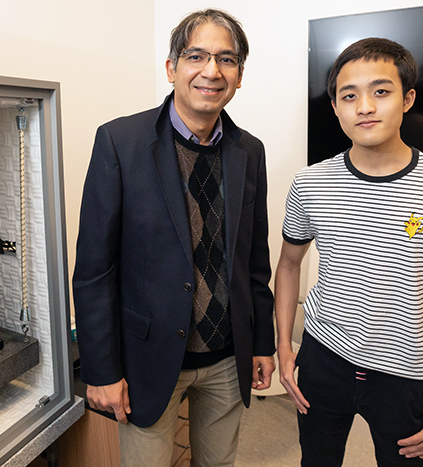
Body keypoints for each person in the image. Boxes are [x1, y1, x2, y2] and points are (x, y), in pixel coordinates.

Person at [275, 38, 423, 466]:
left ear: (408, 98)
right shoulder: (311, 184)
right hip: (323, 359)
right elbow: (288, 266)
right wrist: (286, 346)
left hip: (405, 376)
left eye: (380, 91)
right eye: (349, 95)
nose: (364, 107)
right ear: (336, 106)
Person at [72, 9, 275, 467]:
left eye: (226, 59)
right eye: (196, 56)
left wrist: (263, 341)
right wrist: (101, 370)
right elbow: (93, 271)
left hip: (226, 356)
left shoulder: (250, 151)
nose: (211, 71)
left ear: (239, 75)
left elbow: (254, 262)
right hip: (148, 354)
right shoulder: (120, 142)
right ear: (172, 68)